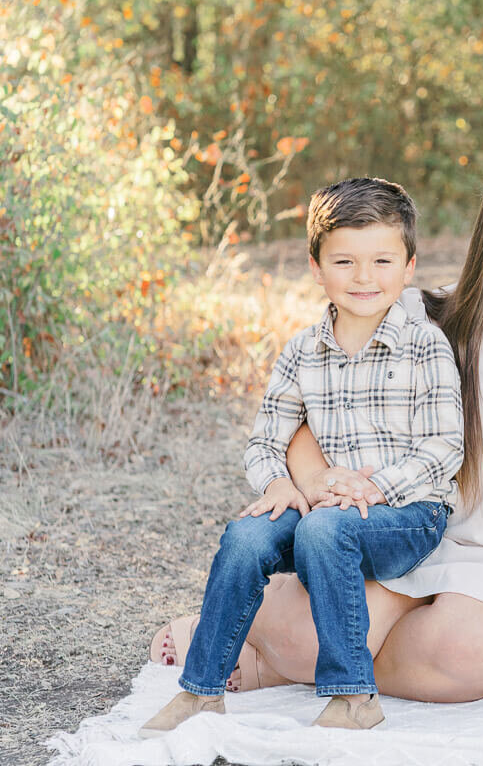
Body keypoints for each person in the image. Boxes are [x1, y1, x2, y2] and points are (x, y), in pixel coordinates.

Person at [147, 146, 483, 708]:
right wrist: (321, 484)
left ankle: (283, 665)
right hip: (422, 541)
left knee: (459, 652)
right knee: (301, 628)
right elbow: (302, 411)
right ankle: (294, 650)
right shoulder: (421, 317)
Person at [141, 178, 465, 736]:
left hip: (407, 514)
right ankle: (202, 692)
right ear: (316, 267)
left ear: (409, 267)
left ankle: (354, 695)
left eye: (383, 260)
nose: (364, 277)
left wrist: (375, 486)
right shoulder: (301, 351)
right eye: (345, 261)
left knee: (322, 530)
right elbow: (267, 440)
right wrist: (278, 486)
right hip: (324, 507)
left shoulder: (425, 344)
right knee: (246, 536)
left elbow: (444, 447)